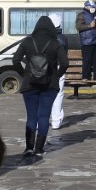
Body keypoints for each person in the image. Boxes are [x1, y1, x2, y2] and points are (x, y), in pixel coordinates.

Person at [16, 15, 68, 160]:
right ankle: (39, 149)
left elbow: (15, 60)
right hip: (49, 85)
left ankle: (28, 148)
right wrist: (56, 75)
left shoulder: (27, 41)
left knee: (31, 116)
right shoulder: (55, 43)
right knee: (44, 116)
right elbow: (65, 63)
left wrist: (24, 74)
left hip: (29, 84)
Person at [75, 0, 96, 81]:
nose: (94, 8)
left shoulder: (94, 15)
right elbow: (78, 27)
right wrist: (89, 26)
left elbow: (95, 26)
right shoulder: (81, 15)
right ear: (87, 7)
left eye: (94, 7)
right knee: (87, 60)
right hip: (87, 42)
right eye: (92, 7)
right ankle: (85, 77)